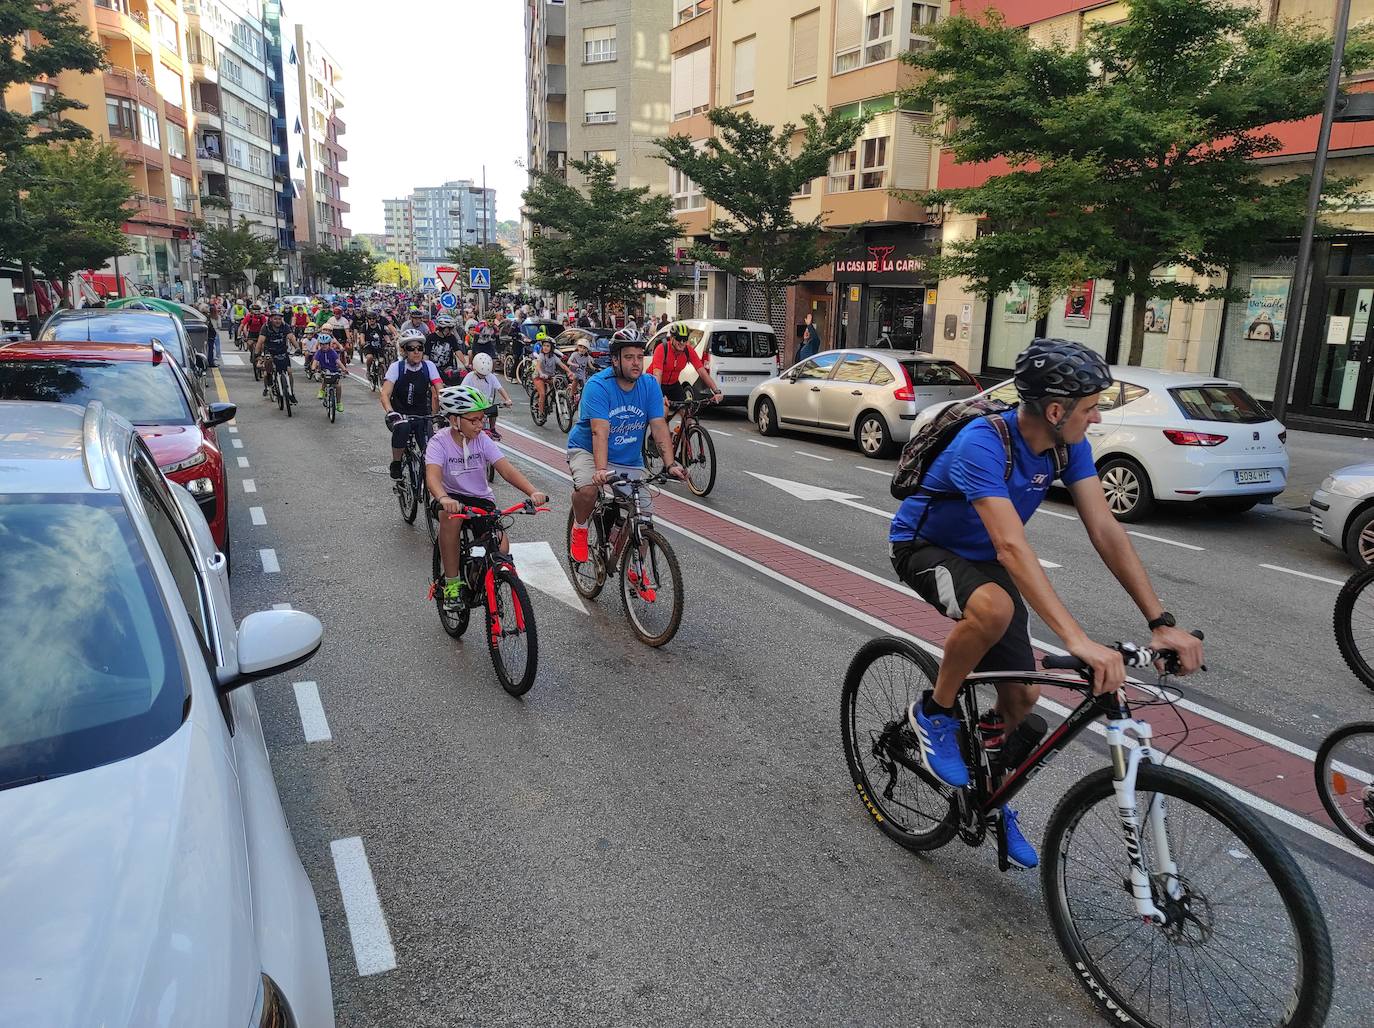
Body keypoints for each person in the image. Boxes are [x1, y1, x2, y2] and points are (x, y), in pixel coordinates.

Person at [889, 338, 1204, 870]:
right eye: (1090, 407)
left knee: (1023, 700)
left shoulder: (1068, 445)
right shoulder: (981, 444)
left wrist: (1161, 621)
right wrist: (1076, 641)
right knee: (993, 610)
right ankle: (934, 713)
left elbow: (1104, 528)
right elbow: (1012, 546)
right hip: (925, 547)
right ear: (1056, 411)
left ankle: (992, 796)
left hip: (985, 559)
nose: (1097, 416)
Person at [567, 333, 688, 566]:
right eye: (629, 357)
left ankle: (636, 569)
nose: (636, 363)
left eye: (640, 357)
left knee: (643, 516)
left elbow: (659, 426)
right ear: (615, 360)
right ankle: (580, 528)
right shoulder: (598, 386)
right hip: (589, 451)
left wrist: (670, 464)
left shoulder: (650, 384)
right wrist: (601, 470)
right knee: (588, 490)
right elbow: (599, 432)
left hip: (628, 458)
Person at [426, 385, 549, 611]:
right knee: (450, 518)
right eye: (473, 420)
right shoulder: (438, 442)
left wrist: (532, 491)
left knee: (500, 545)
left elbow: (506, 470)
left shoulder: (482, 439)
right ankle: (452, 584)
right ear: (454, 420)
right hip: (450, 497)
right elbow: (432, 477)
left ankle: (478, 574)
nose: (480, 425)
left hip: (480, 498)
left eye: (481, 419)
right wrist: (443, 498)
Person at [381, 329, 443, 480]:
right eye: (411, 348)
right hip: (399, 415)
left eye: (419, 348)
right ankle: (396, 463)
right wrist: (390, 412)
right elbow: (385, 394)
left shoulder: (429, 366)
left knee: (430, 452)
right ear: (404, 350)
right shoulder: (397, 367)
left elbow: (440, 390)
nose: (416, 352)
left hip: (422, 415)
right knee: (403, 427)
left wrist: (446, 409)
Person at [648, 322, 724, 413]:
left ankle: (688, 427)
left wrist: (716, 391)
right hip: (655, 384)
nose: (682, 342)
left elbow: (702, 372)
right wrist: (659, 395)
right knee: (663, 411)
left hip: (673, 384)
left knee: (687, 413)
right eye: (679, 339)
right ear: (672, 338)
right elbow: (657, 374)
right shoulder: (662, 349)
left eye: (685, 339)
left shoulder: (688, 351)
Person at [461, 352, 513, 440]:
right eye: (480, 374)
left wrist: (507, 399)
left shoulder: (491, 377)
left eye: (484, 375)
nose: (482, 376)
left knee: (494, 410)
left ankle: (492, 428)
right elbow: (462, 389)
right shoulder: (469, 376)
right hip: (473, 404)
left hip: (486, 403)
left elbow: (500, 388)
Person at [256, 308, 297, 402]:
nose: (278, 321)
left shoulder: (285, 326)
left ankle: (291, 393)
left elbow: (291, 337)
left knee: (289, 372)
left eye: (279, 319)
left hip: (282, 351)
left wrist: (297, 348)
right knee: (268, 369)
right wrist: (257, 354)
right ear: (271, 319)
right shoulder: (265, 327)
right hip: (269, 351)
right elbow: (260, 341)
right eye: (275, 319)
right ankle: (269, 381)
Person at [532, 337, 572, 420]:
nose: (545, 348)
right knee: (543, 394)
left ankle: (551, 402)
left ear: (552, 348)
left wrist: (569, 372)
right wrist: (541, 373)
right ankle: (541, 413)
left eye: (548, 346)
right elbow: (538, 366)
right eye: (544, 346)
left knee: (556, 388)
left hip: (550, 376)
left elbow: (562, 365)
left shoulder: (554, 357)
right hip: (539, 377)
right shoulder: (541, 356)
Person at [426, 316, 467, 385]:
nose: (451, 331)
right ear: (443, 329)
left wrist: (465, 364)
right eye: (450, 329)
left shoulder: (451, 337)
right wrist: (426, 368)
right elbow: (426, 355)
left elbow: (457, 351)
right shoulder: (431, 338)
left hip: (448, 369)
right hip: (433, 369)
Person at [311, 333, 345, 411]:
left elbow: (338, 361)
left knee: (338, 386)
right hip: (324, 370)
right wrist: (313, 369)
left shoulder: (332, 352)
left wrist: (344, 369)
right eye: (322, 344)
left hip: (334, 370)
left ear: (329, 344)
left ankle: (339, 403)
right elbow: (315, 361)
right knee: (325, 379)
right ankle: (322, 391)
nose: (324, 346)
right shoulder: (319, 352)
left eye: (326, 344)